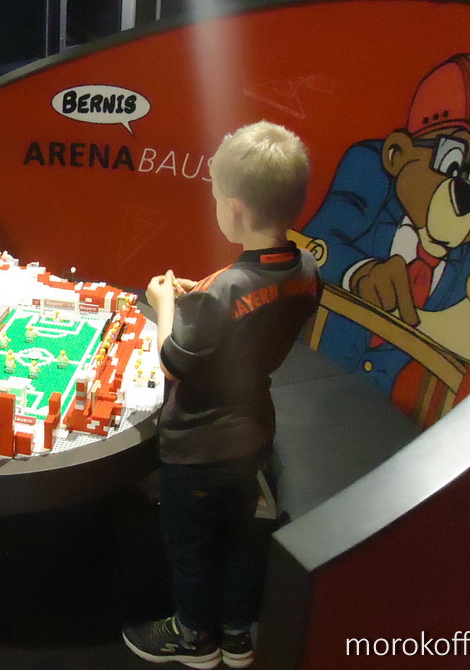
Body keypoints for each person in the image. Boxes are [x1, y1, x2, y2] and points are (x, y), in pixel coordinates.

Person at [122, 121, 321, 669]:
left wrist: (166, 304)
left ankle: (194, 637)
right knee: (242, 539)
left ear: (234, 209)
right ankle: (236, 634)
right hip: (254, 433)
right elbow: (253, 311)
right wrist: (201, 303)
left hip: (198, 446)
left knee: (190, 548)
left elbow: (173, 361)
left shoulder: (221, 291)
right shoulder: (307, 269)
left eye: (214, 196)